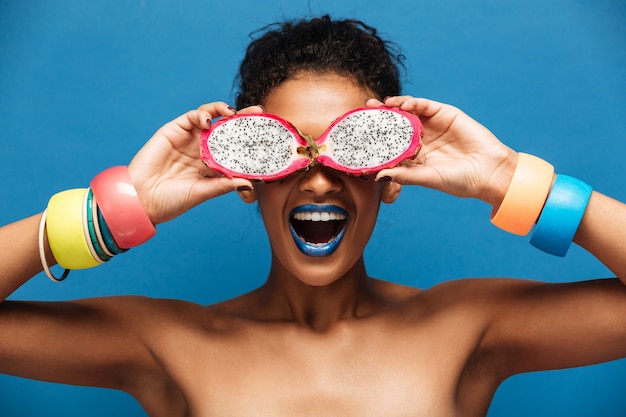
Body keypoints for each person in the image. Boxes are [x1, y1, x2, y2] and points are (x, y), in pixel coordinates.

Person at [1, 15, 626, 417]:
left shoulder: (469, 326)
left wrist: (511, 181)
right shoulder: (166, 342)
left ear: (393, 180)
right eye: (277, 152)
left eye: (354, 151)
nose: (320, 177)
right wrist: (111, 211)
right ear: (245, 180)